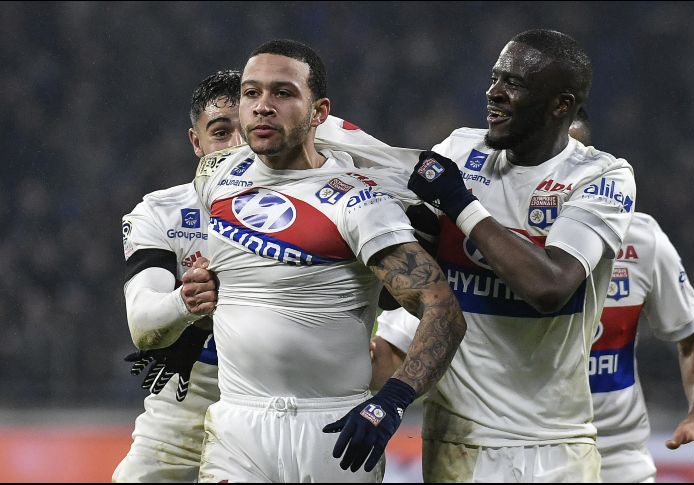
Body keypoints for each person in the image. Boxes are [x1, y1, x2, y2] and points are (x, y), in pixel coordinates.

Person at [373, 110, 694, 483]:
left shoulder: (641, 239)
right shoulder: (471, 243)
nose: (552, 178)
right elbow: (394, 350)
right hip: (510, 447)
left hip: (618, 460)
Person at [192, 39, 466, 483]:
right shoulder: (216, 175)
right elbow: (240, 282)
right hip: (237, 428)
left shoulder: (359, 203)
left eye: (283, 93)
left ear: (319, 112)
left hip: (333, 431)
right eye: (251, 93)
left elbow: (443, 311)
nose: (262, 106)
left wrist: (391, 401)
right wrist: (192, 311)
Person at [394, 29, 638, 482]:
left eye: (515, 83)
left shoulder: (601, 176)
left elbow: (549, 286)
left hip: (555, 445)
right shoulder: (459, 150)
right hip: (456, 440)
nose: (494, 92)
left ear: (560, 104)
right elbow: (400, 286)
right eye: (495, 78)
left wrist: (460, 204)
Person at [114, 70, 244, 483]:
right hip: (187, 404)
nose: (237, 146)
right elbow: (143, 323)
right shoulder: (162, 213)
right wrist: (186, 303)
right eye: (221, 133)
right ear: (196, 142)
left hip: (274, 402)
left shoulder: (311, 208)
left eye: (247, 132)